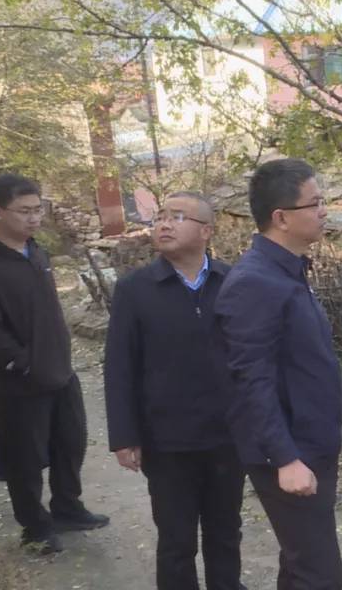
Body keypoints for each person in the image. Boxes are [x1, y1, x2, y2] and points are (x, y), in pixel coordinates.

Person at [104, 192, 246, 590]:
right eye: (160, 216)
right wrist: (125, 435)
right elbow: (119, 365)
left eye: (177, 216)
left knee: (225, 530)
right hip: (167, 440)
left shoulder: (231, 280)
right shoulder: (136, 289)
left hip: (226, 435)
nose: (163, 224)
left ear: (206, 231)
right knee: (176, 540)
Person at [215, 159, 342, 590]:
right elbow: (251, 381)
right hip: (289, 450)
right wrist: (285, 459)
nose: (324, 210)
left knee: (301, 565)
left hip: (312, 442)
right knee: (320, 574)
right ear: (281, 218)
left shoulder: (287, 270)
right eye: (315, 203)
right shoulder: (255, 282)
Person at [0, 174, 109, 554]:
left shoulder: (36, 252)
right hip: (18, 381)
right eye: (24, 211)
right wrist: (21, 363)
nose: (33, 218)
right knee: (25, 458)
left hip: (59, 369)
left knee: (69, 442)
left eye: (37, 209)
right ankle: (35, 527)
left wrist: (56, 357)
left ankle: (67, 508)